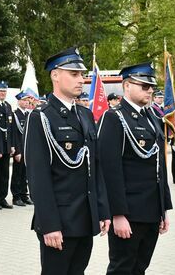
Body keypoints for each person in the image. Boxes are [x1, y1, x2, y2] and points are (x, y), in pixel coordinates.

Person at [25, 48, 110, 275]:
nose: (81, 80)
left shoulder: (85, 115)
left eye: (82, 75)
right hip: (60, 221)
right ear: (55, 75)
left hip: (85, 217)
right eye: (73, 74)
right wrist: (50, 224)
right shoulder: (41, 117)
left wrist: (102, 210)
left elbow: (95, 168)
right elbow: (38, 177)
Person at [98, 62, 172, 275]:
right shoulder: (113, 118)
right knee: (122, 268)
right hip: (129, 212)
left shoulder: (152, 117)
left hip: (151, 210)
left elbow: (159, 167)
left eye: (151, 87)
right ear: (127, 86)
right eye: (143, 86)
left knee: (140, 267)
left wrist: (163, 208)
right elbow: (109, 169)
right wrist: (117, 214)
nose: (149, 90)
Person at [0, 81, 14, 210]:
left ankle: (2, 197)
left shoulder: (8, 106)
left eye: (4, 91)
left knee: (5, 173)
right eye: (0, 91)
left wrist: (11, 145)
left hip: (6, 145)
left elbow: (10, 128)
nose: (2, 93)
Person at [10, 91, 33, 207]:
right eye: (23, 100)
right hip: (20, 150)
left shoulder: (28, 115)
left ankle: (24, 195)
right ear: (18, 101)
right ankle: (16, 196)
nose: (26, 102)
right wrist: (17, 151)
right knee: (17, 173)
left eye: (27, 100)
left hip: (28, 149)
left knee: (26, 174)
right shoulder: (15, 115)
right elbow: (14, 134)